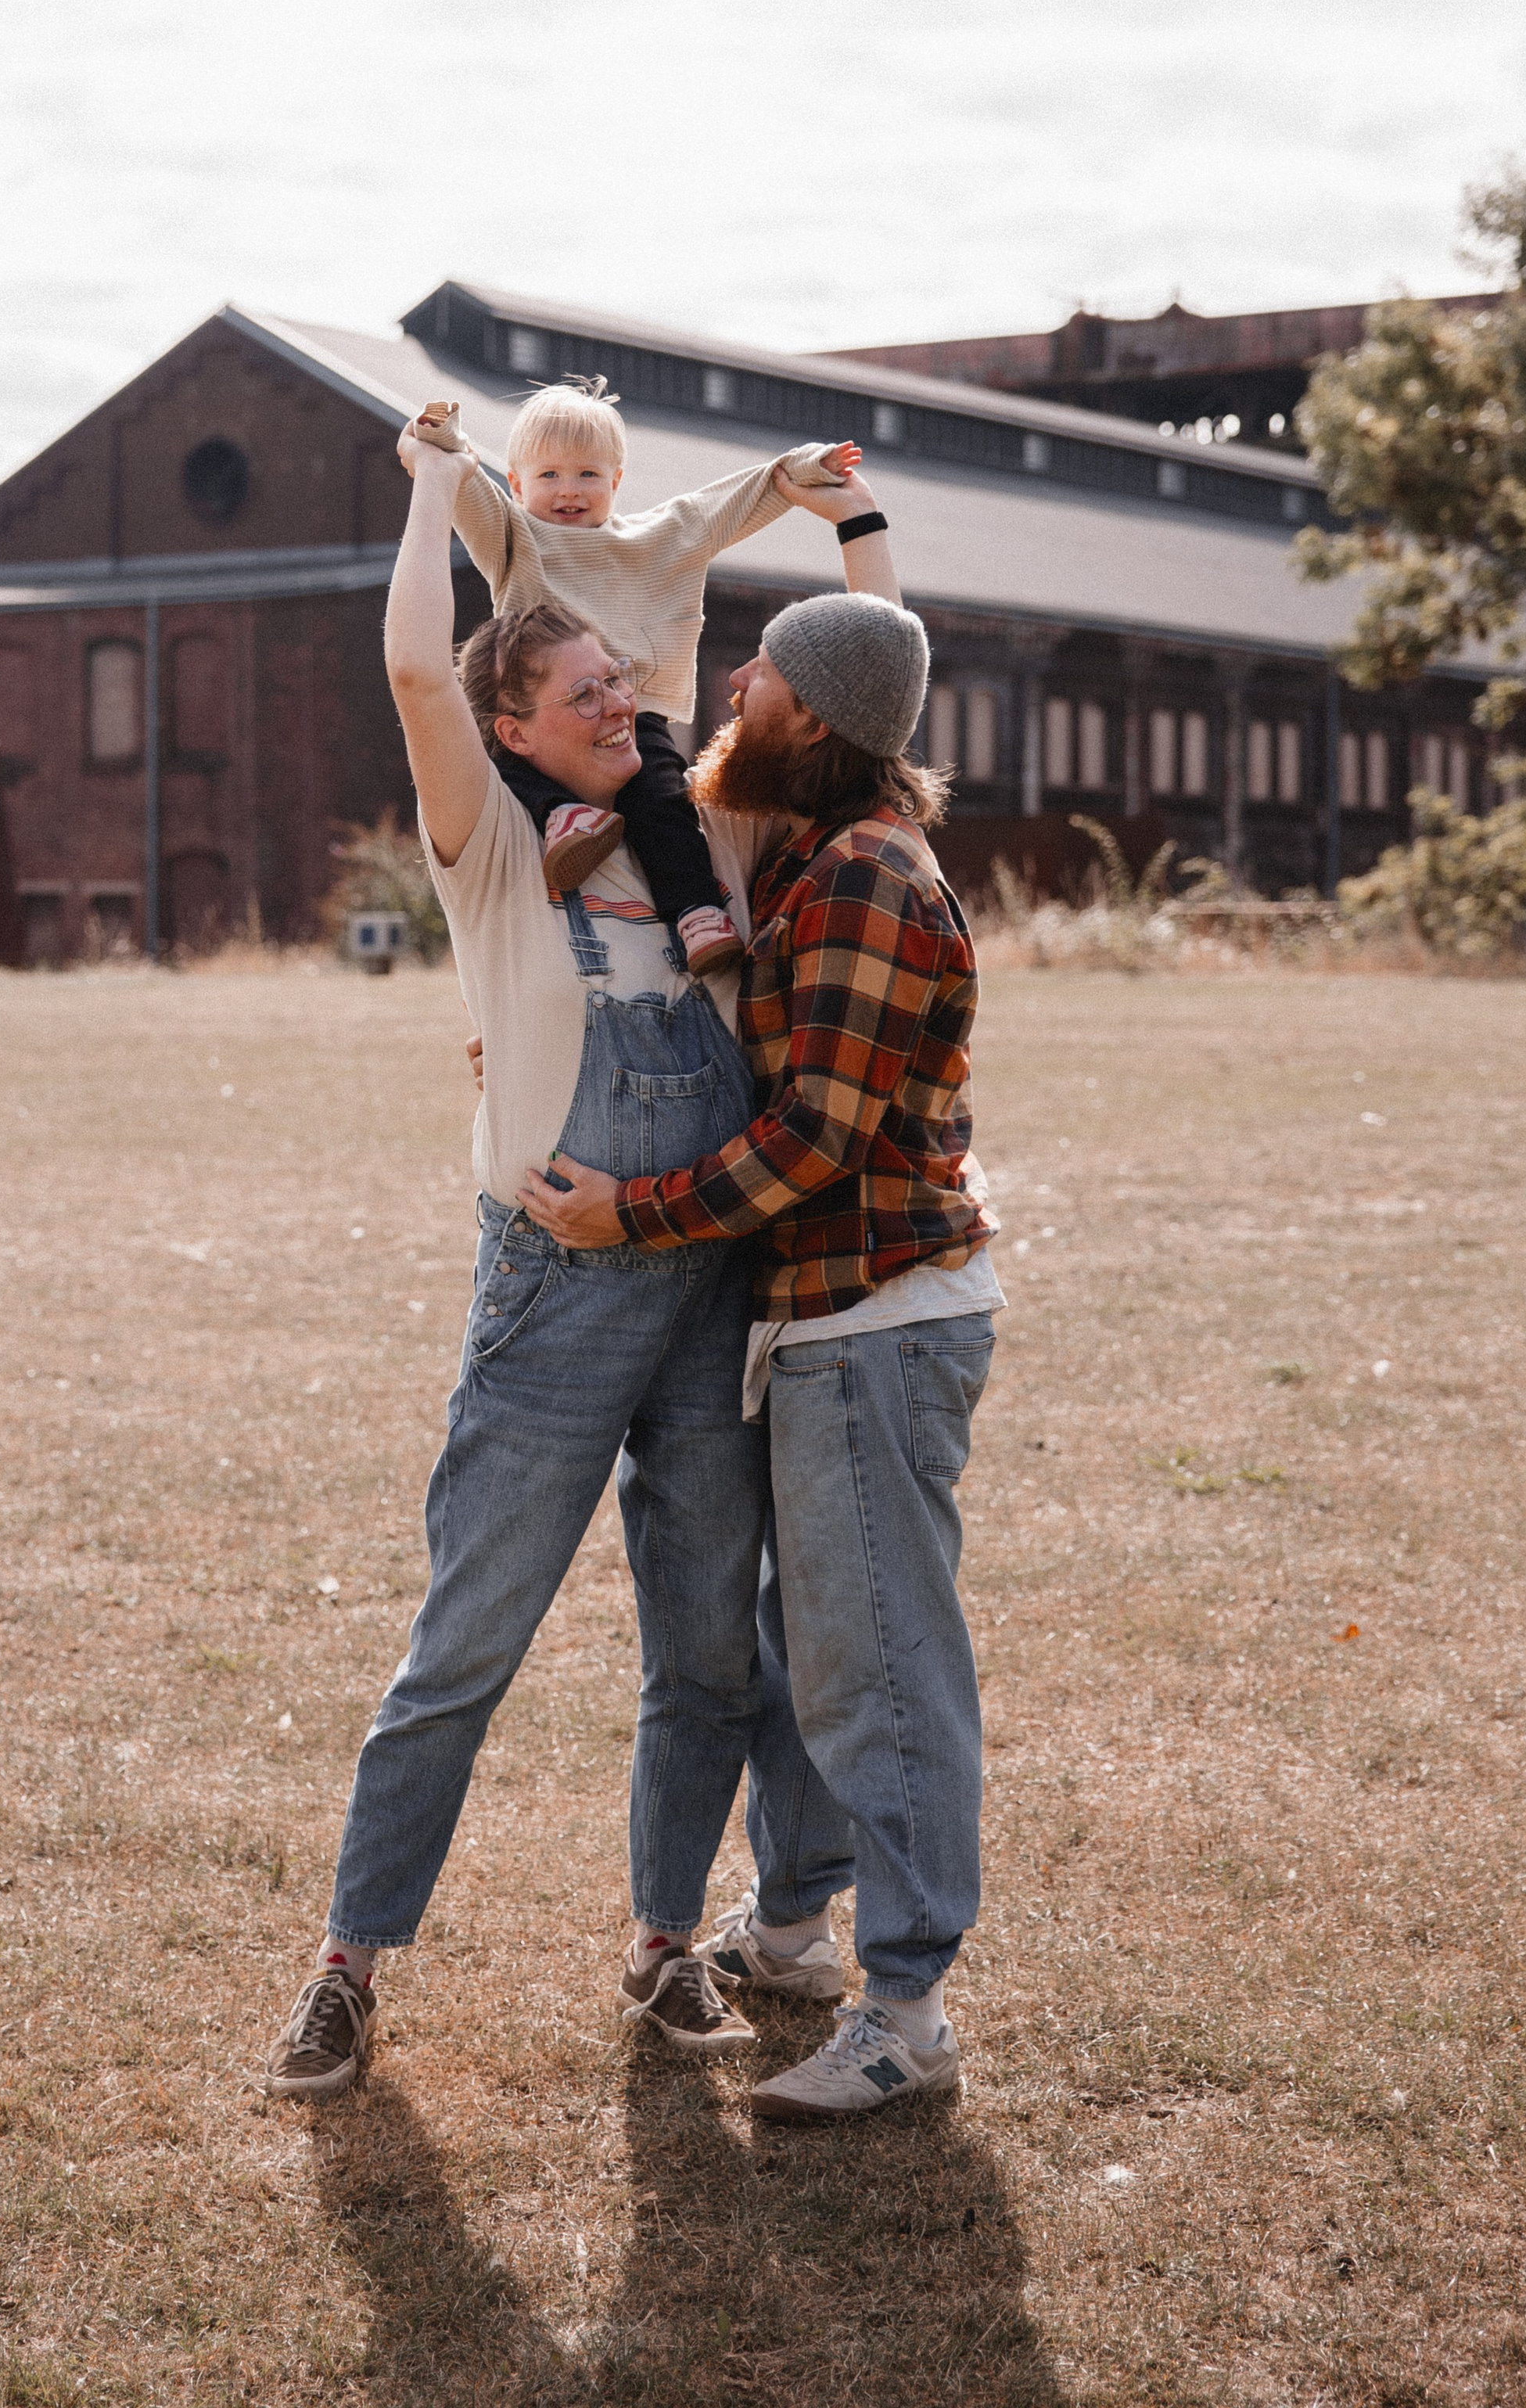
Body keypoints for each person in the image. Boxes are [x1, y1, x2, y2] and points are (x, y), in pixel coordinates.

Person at [261, 415, 891, 2103]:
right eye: (588, 695)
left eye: (626, 681)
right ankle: (346, 1964)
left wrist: (861, 531)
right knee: (462, 1644)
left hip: (701, 1291)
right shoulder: (486, 852)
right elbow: (411, 660)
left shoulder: (712, 825)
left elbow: (874, 708)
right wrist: (419, 489)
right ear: (509, 729)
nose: (625, 704)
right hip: (547, 1296)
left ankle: (660, 1943)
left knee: (702, 1653)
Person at [516, 584, 1004, 2126]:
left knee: (884, 1669)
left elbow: (813, 1138)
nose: (740, 679)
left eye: (772, 672)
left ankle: (907, 2005)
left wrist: (629, 1213)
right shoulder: (798, 851)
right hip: (815, 1319)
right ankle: (792, 1928)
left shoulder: (862, 876)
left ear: (826, 716)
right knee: (810, 1652)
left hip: (872, 1320)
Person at [408, 379, 859, 976]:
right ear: (516, 483)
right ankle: (561, 815)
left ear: (616, 481)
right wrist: (441, 432)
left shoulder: (655, 539)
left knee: (665, 805)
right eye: (548, 476)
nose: (568, 490)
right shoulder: (514, 535)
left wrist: (807, 467)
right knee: (501, 760)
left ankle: (697, 913)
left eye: (588, 475)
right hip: (539, 716)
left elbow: (731, 503)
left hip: (634, 713)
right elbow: (465, 489)